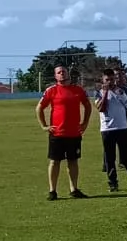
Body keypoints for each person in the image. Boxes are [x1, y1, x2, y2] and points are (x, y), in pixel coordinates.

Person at [36, 66, 92, 200]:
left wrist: (85, 123)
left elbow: (87, 105)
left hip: (74, 133)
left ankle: (74, 189)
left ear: (68, 74)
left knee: (73, 161)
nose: (62, 74)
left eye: (64, 71)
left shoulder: (78, 90)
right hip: (57, 133)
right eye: (59, 72)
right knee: (54, 162)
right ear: (55, 76)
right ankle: (52, 191)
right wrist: (44, 126)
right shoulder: (51, 90)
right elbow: (39, 108)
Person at [96, 69, 127, 193]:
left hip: (123, 128)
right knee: (109, 158)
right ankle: (113, 183)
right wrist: (105, 93)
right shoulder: (99, 93)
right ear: (103, 80)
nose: (110, 82)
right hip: (107, 129)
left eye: (112, 79)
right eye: (107, 80)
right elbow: (101, 108)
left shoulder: (121, 91)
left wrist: (120, 94)